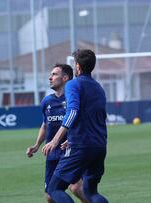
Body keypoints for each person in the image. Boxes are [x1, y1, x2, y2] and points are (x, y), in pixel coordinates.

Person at [42, 49, 108, 203]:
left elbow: (72, 112)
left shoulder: (73, 84)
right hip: (99, 146)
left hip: (81, 147)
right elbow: (99, 117)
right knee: (91, 192)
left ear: (77, 67)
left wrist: (55, 140)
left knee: (54, 189)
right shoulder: (99, 88)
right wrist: (72, 137)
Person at [26, 64, 88, 203]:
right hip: (52, 154)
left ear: (65, 78)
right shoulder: (47, 101)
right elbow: (45, 125)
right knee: (50, 196)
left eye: (54, 74)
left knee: (76, 187)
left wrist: (73, 140)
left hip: (70, 152)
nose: (50, 77)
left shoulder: (73, 99)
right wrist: (36, 145)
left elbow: (82, 124)